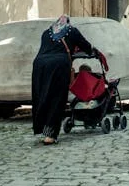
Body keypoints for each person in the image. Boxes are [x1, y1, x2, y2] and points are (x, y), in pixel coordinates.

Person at [31, 15, 94, 145]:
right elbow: (86, 46)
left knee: (42, 97)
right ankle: (50, 135)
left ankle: (42, 128)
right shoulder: (72, 31)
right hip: (58, 66)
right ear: (68, 24)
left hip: (39, 66)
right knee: (56, 99)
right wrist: (92, 51)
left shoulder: (46, 33)